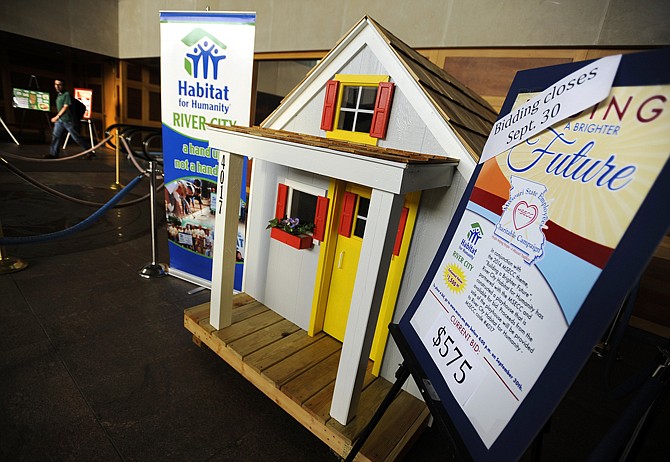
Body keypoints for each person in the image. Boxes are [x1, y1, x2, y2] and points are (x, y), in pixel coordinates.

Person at [46, 79, 92, 159]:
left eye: (59, 85)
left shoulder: (66, 94)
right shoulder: (59, 95)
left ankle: (89, 152)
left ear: (63, 86)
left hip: (69, 121)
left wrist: (57, 116)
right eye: (55, 84)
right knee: (56, 136)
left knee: (76, 137)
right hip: (61, 121)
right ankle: (53, 154)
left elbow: (66, 107)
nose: (57, 86)